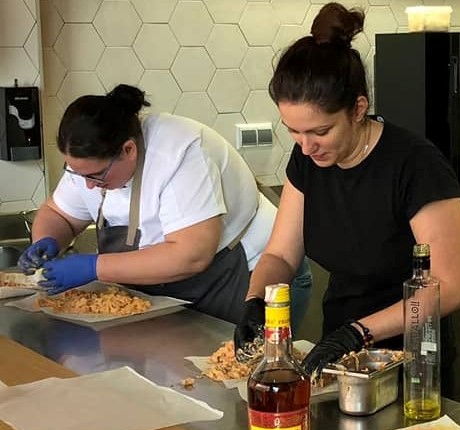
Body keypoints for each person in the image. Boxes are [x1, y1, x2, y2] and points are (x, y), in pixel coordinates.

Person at [234, 2, 460, 375]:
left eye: (320, 131)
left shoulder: (415, 165)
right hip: (338, 354)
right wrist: (255, 300)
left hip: (412, 362)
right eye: (293, 131)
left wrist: (360, 332)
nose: (306, 146)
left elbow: (452, 286)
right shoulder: (308, 162)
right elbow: (280, 256)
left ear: (358, 109)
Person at [17, 84, 312, 325]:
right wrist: (47, 239)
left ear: (128, 150)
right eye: (77, 175)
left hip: (251, 279)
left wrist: (95, 266)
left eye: (96, 176)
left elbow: (190, 255)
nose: (88, 186)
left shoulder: (180, 153)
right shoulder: (89, 165)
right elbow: (60, 213)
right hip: (173, 289)